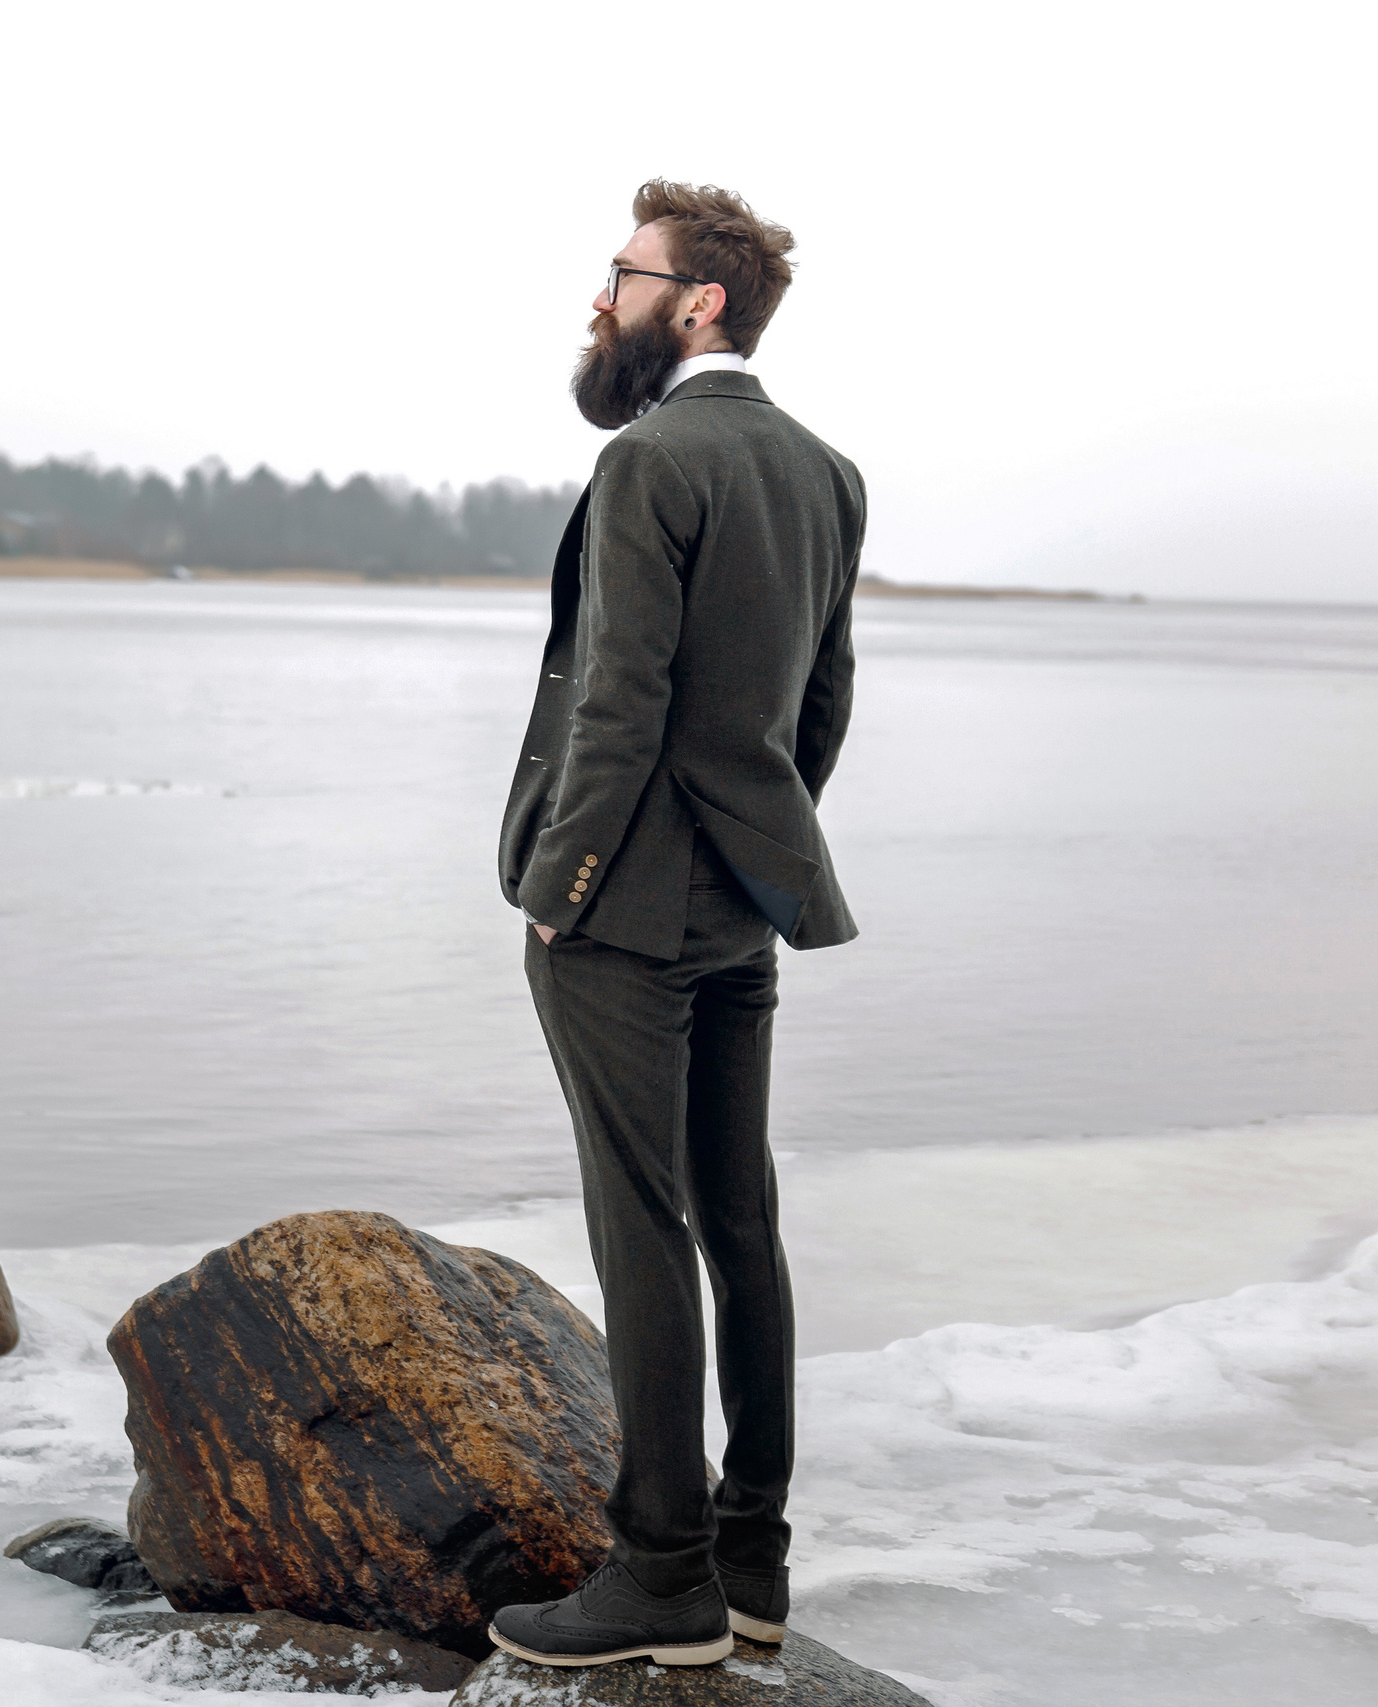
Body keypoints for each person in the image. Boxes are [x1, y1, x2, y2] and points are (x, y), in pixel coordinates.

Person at [488, 180, 866, 1669]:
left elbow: (620, 702)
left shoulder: (650, 459)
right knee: (740, 1218)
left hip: (624, 907)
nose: (603, 297)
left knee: (641, 1221)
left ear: (697, 302)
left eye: (624, 273)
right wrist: (756, 847)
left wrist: (560, 886)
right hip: (741, 903)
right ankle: (752, 1560)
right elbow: (820, 706)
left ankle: (661, 1576)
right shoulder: (827, 473)